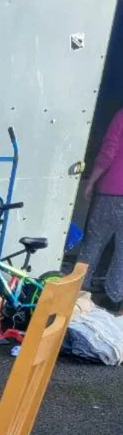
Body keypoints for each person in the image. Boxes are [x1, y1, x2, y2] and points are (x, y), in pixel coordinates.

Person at [80, 107, 123, 311]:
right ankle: (115, 298)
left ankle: (79, 290)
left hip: (112, 191)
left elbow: (109, 151)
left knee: (94, 242)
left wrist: (91, 181)